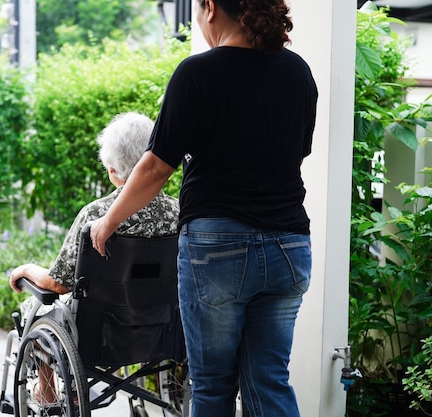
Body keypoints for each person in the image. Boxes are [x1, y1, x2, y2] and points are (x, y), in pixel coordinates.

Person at [89, 1, 318, 416]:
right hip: (289, 247)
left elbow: (156, 166)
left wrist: (109, 220)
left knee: (213, 385)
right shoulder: (298, 72)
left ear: (210, 7)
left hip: (218, 248)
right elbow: (295, 154)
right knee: (268, 379)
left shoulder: (197, 73)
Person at [8, 112, 180, 404]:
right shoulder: (180, 212)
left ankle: (47, 392)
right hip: (161, 328)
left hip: (100, 335)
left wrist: (26, 269)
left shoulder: (97, 215)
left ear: (113, 171)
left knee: (32, 307)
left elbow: (57, 284)